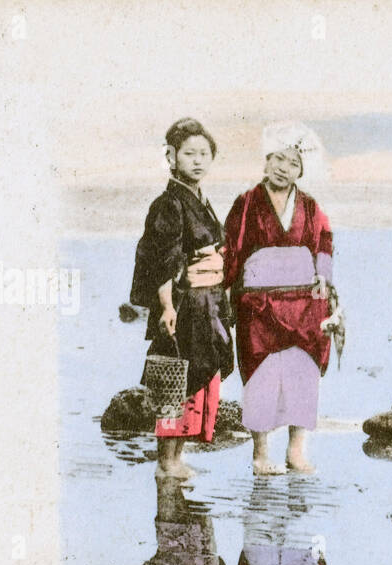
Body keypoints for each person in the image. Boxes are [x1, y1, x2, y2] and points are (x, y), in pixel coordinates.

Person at [223, 123, 341, 474]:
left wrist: (324, 277)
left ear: (300, 170)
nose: (282, 167)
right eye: (277, 159)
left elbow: (325, 242)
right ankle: (260, 455)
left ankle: (296, 451)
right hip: (258, 306)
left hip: (304, 304)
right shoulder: (246, 203)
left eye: (291, 162)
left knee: (303, 374)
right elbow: (231, 247)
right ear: (266, 161)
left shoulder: (311, 205)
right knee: (261, 375)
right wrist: (227, 291)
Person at [130, 118, 234, 480]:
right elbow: (163, 261)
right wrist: (167, 306)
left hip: (207, 302)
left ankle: (177, 458)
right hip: (184, 302)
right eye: (189, 154)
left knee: (195, 378)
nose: (198, 161)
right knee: (176, 380)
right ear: (171, 157)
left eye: (204, 154)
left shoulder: (199, 199)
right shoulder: (169, 203)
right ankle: (166, 462)